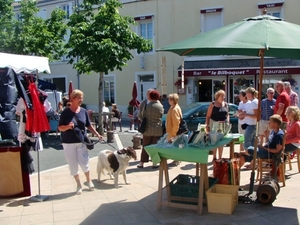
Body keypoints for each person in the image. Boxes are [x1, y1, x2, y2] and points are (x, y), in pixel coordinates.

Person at [58, 89, 103, 195]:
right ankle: (78, 184)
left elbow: (88, 125)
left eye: (82, 98)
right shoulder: (65, 112)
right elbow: (60, 128)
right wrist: (68, 126)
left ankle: (89, 181)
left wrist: (97, 134)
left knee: (85, 162)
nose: (81, 100)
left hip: (81, 141)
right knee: (73, 165)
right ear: (73, 99)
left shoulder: (83, 111)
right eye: (79, 98)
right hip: (68, 142)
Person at [137, 89, 164, 168]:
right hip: (157, 129)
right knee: (155, 146)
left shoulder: (147, 106)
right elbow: (161, 116)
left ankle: (142, 163)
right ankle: (154, 163)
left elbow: (142, 116)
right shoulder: (160, 106)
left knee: (145, 146)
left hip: (147, 129)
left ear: (150, 97)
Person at [205, 90, 229, 160]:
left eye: (224, 96)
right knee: (214, 141)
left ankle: (220, 157)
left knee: (221, 142)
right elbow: (208, 116)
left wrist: (228, 122)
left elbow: (227, 115)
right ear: (218, 96)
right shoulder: (212, 104)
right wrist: (207, 125)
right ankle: (214, 157)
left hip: (223, 125)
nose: (223, 97)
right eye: (222, 96)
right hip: (214, 124)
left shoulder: (226, 104)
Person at [239, 87, 258, 155]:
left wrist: (246, 114)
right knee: (252, 143)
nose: (246, 95)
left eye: (246, 93)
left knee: (246, 142)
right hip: (251, 124)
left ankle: (249, 158)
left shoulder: (254, 102)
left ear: (250, 93)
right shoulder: (254, 102)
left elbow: (257, 116)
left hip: (252, 125)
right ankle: (252, 161)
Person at [166, 93, 182, 165]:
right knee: (175, 146)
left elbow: (176, 123)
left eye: (169, 99)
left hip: (173, 132)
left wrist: (173, 134)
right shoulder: (172, 107)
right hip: (170, 131)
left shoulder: (175, 109)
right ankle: (176, 159)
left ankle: (177, 160)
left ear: (173, 100)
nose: (168, 100)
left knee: (175, 145)